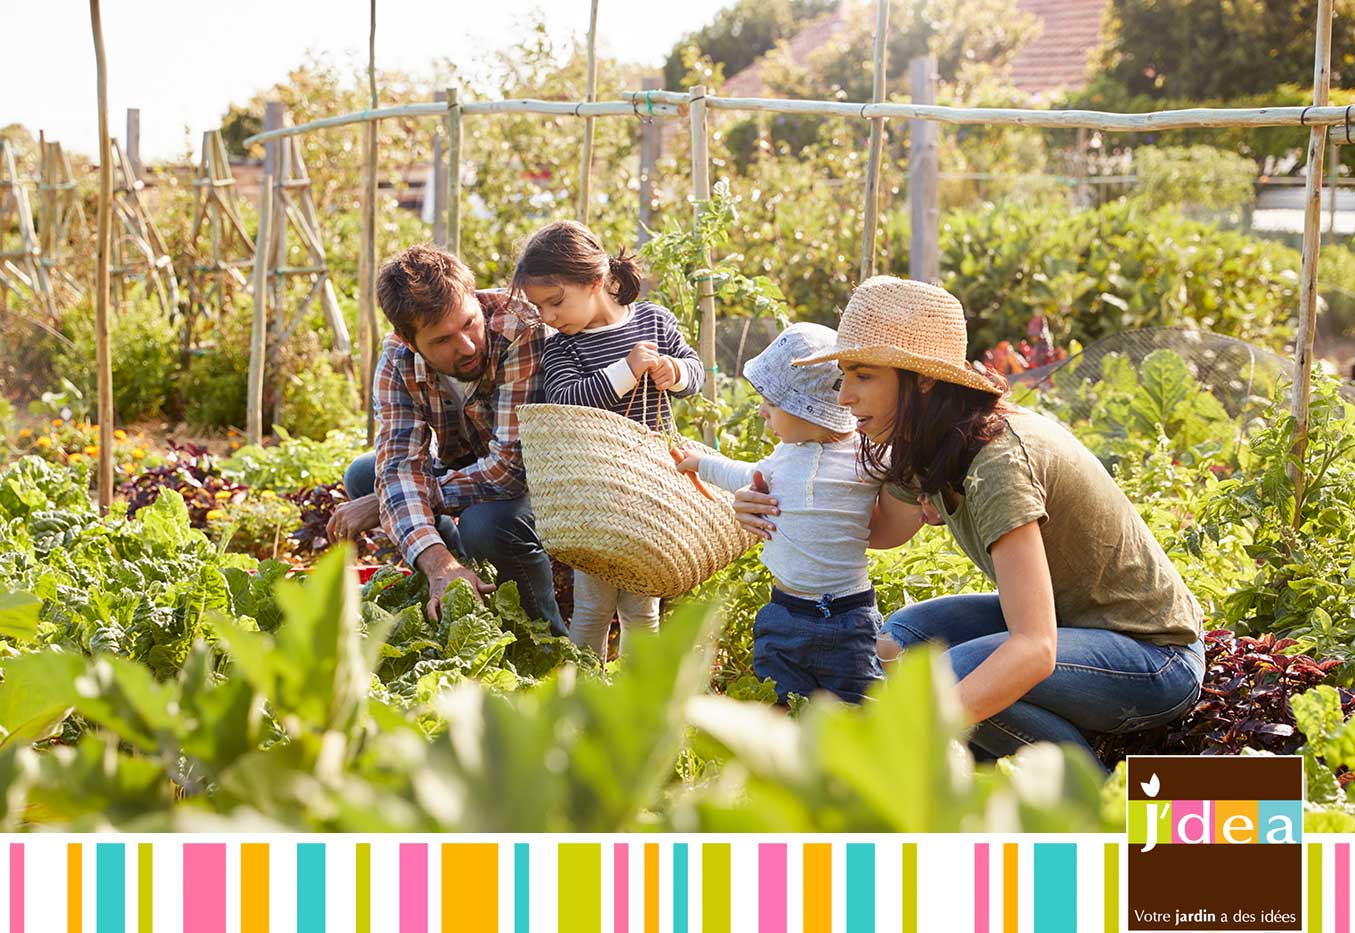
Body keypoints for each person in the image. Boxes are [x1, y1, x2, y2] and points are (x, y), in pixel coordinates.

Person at [736, 275, 1205, 763]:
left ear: (922, 379)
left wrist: (908, 738)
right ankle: (1020, 758)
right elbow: (879, 531)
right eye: (845, 376)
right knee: (902, 644)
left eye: (863, 375)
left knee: (947, 679)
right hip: (1075, 627)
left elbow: (1034, 648)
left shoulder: (998, 463)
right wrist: (770, 502)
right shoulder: (931, 443)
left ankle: (1095, 793)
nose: (844, 396)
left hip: (1153, 656)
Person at [326, 244, 565, 634]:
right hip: (470, 467)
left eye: (469, 323)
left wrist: (399, 499)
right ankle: (457, 589)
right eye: (442, 340)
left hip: (535, 479)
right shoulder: (396, 362)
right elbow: (399, 465)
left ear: (474, 300)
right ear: (408, 340)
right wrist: (438, 561)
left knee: (485, 524)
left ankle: (548, 637)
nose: (467, 345)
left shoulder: (518, 330)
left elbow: (508, 470)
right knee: (365, 475)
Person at [512, 220, 703, 659]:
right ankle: (584, 696)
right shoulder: (563, 348)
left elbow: (694, 372)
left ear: (596, 281)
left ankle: (639, 694)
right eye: (540, 307)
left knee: (643, 604)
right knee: (593, 605)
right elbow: (564, 400)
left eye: (555, 302)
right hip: (594, 496)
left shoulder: (654, 321)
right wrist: (626, 370)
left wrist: (674, 373)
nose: (549, 317)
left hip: (648, 486)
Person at [676, 323, 884, 703]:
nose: (761, 412)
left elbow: (909, 470)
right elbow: (742, 472)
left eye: (772, 404)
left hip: (849, 618)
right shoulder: (782, 458)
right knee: (778, 701)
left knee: (858, 708)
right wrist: (700, 463)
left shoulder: (867, 457)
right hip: (784, 612)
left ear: (809, 410)